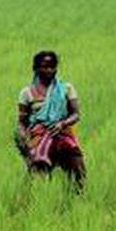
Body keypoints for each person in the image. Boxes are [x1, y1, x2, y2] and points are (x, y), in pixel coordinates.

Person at [15, 51, 86, 188]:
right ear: (35, 68)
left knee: (78, 170)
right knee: (37, 177)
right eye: (44, 66)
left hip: (63, 134)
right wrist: (27, 144)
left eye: (53, 66)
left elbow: (76, 114)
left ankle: (79, 199)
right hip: (39, 136)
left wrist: (62, 123)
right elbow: (22, 122)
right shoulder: (26, 93)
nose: (49, 70)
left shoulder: (66, 89)